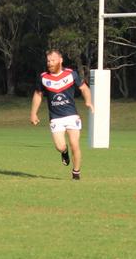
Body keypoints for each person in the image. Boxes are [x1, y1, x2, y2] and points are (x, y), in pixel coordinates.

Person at [30, 49, 94, 180]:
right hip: (55, 118)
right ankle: (64, 153)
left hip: (72, 116)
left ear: (60, 60)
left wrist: (88, 102)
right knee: (60, 146)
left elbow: (84, 88)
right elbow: (38, 94)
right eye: (48, 61)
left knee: (74, 144)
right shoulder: (43, 77)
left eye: (53, 60)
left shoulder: (71, 74)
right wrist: (33, 113)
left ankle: (76, 172)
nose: (50, 63)